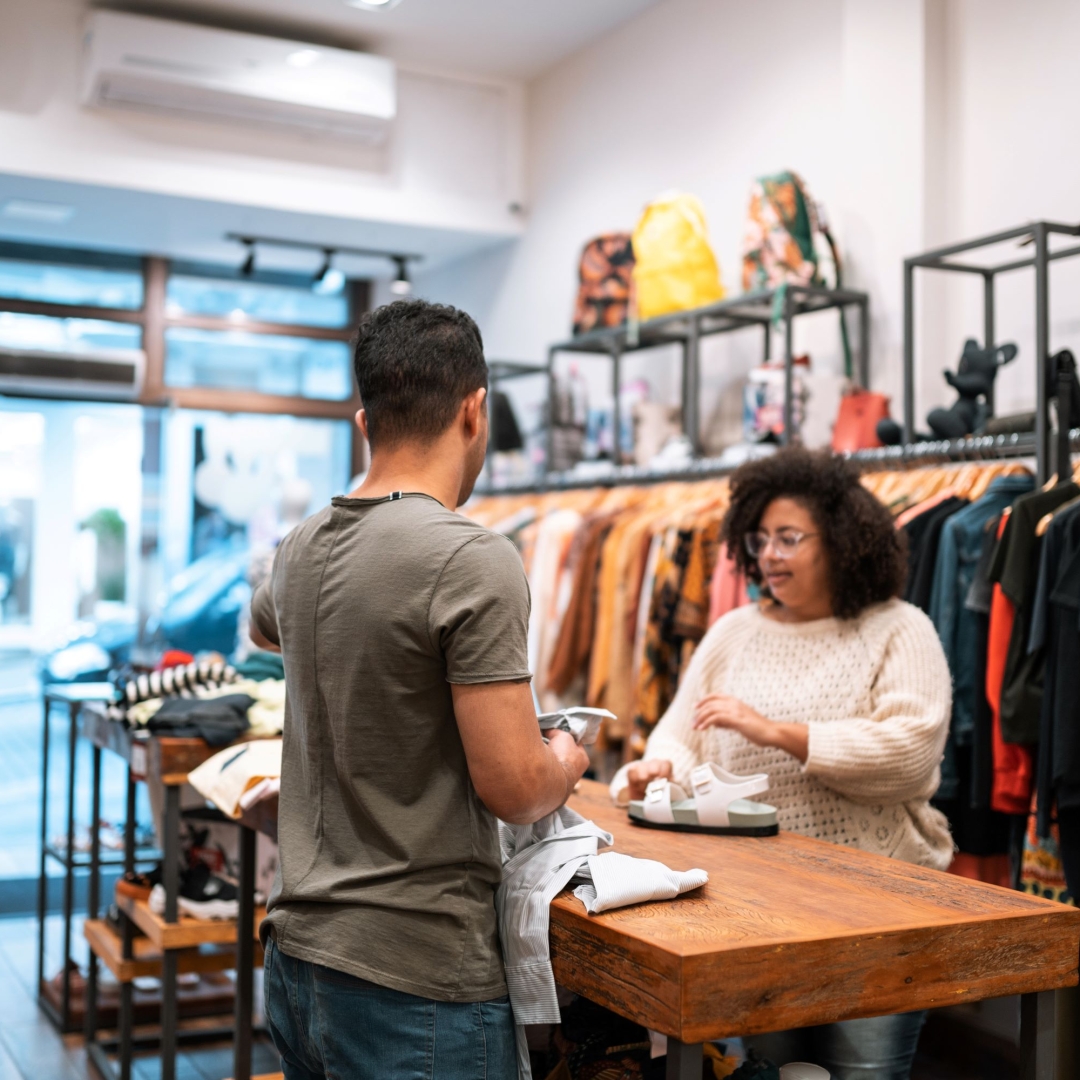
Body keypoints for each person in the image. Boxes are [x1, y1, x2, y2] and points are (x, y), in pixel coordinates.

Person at [249, 299, 590, 1080]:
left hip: (299, 961)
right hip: (416, 978)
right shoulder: (471, 557)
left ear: (365, 421)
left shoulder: (301, 545)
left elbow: (268, 626)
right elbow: (513, 787)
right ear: (475, 412)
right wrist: (566, 755)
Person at [610, 448, 953, 1080]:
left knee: (864, 1073)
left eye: (789, 538)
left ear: (843, 542)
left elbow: (909, 752)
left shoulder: (900, 630)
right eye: (760, 539)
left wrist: (780, 733)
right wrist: (659, 767)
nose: (769, 555)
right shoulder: (734, 632)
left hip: (877, 915)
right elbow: (682, 734)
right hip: (754, 911)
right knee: (768, 1071)